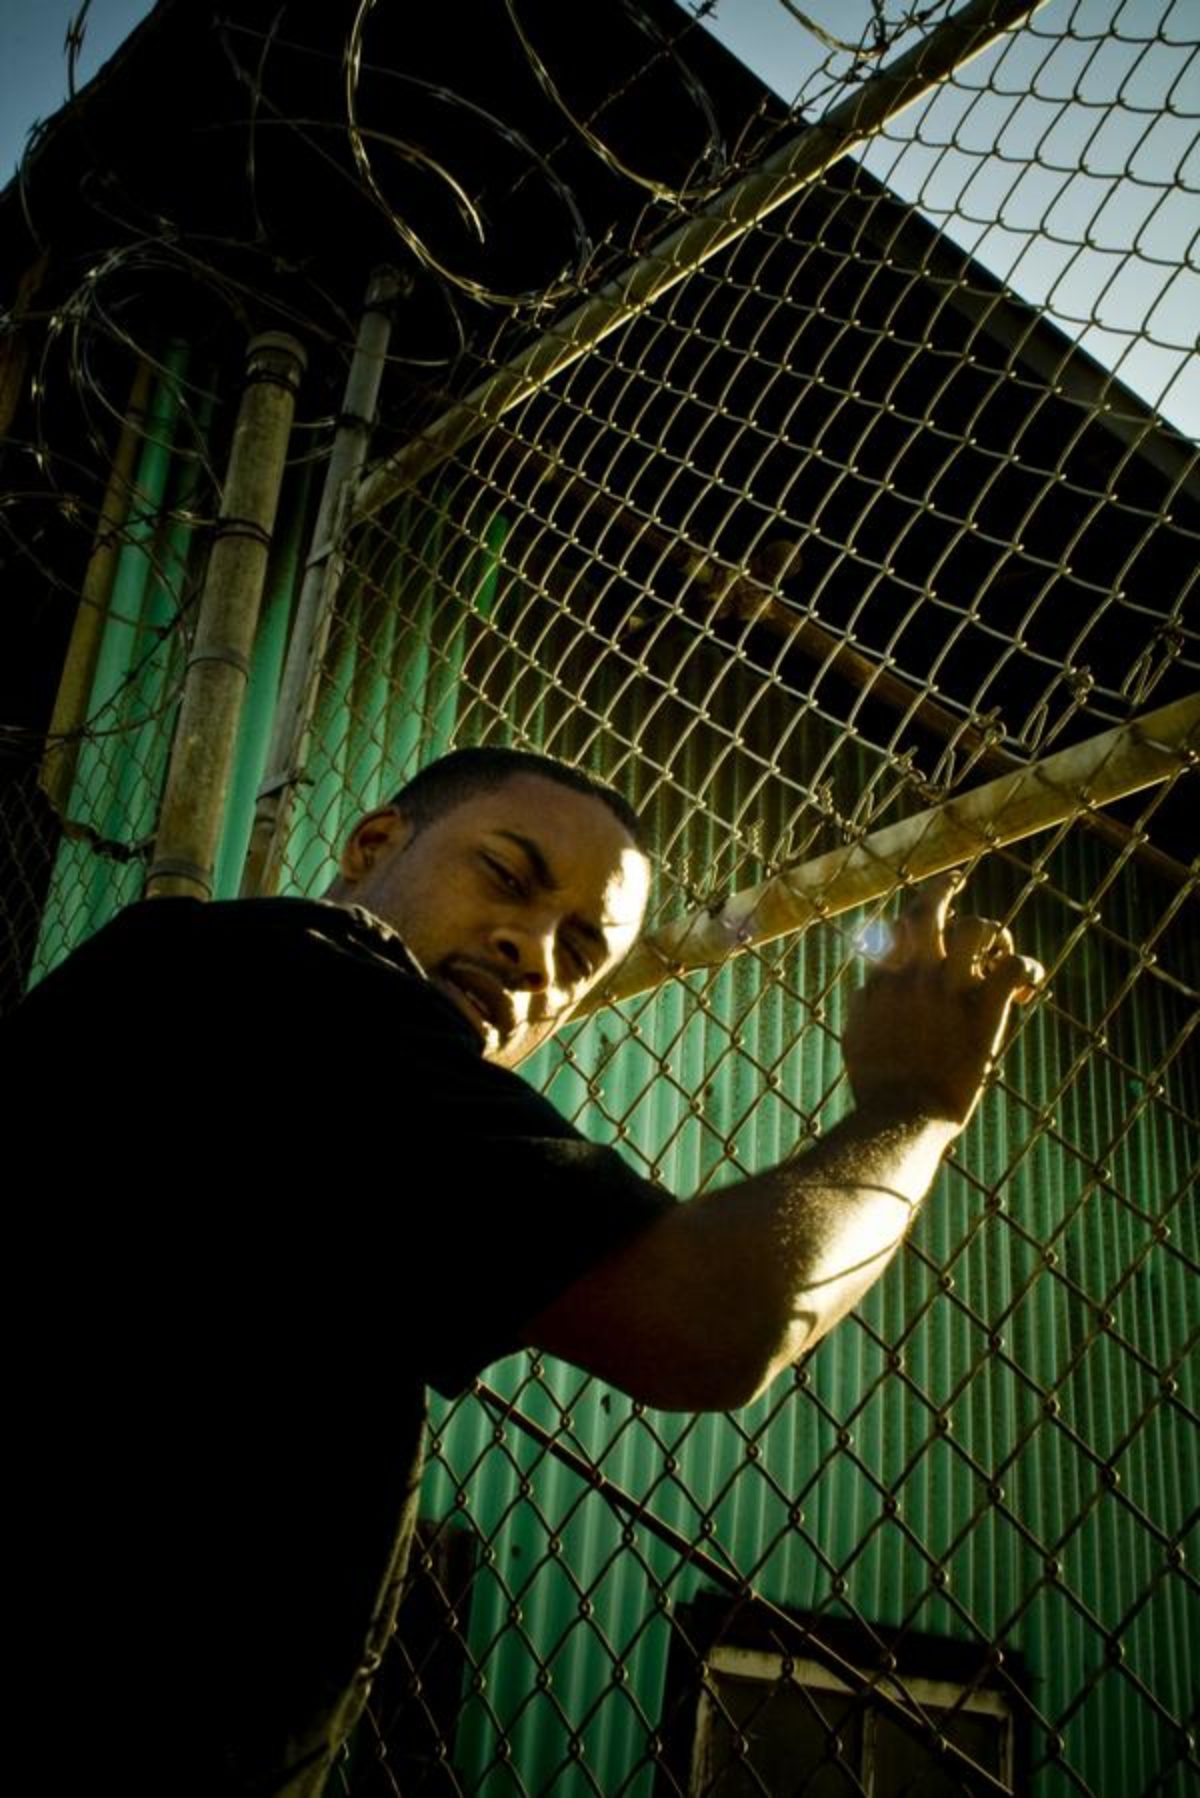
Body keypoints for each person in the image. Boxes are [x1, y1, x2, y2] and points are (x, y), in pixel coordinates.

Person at [4, 746, 1041, 1797]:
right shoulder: (296, 986)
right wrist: (914, 1103)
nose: (535, 953)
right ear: (372, 845)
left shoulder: (246, 1033)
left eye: (582, 950)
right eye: (506, 875)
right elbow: (716, 1319)